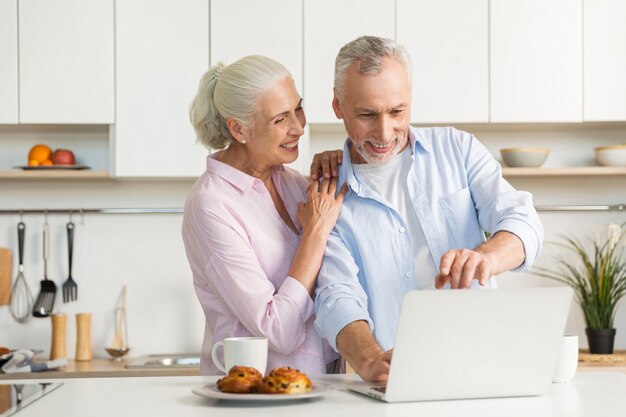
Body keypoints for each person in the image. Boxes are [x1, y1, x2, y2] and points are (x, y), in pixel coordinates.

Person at [313, 36, 544, 382]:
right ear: (338, 106)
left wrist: (488, 257)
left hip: (486, 364)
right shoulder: (328, 193)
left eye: (397, 111)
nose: (384, 132)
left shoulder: (458, 149)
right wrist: (369, 358)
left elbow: (521, 219)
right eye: (366, 115)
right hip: (395, 377)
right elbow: (336, 294)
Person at [182, 55, 346, 375]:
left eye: (298, 108)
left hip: (322, 388)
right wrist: (313, 235)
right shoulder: (211, 206)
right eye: (280, 119)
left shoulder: (296, 184)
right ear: (238, 129)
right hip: (257, 396)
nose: (298, 126)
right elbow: (278, 331)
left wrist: (347, 163)